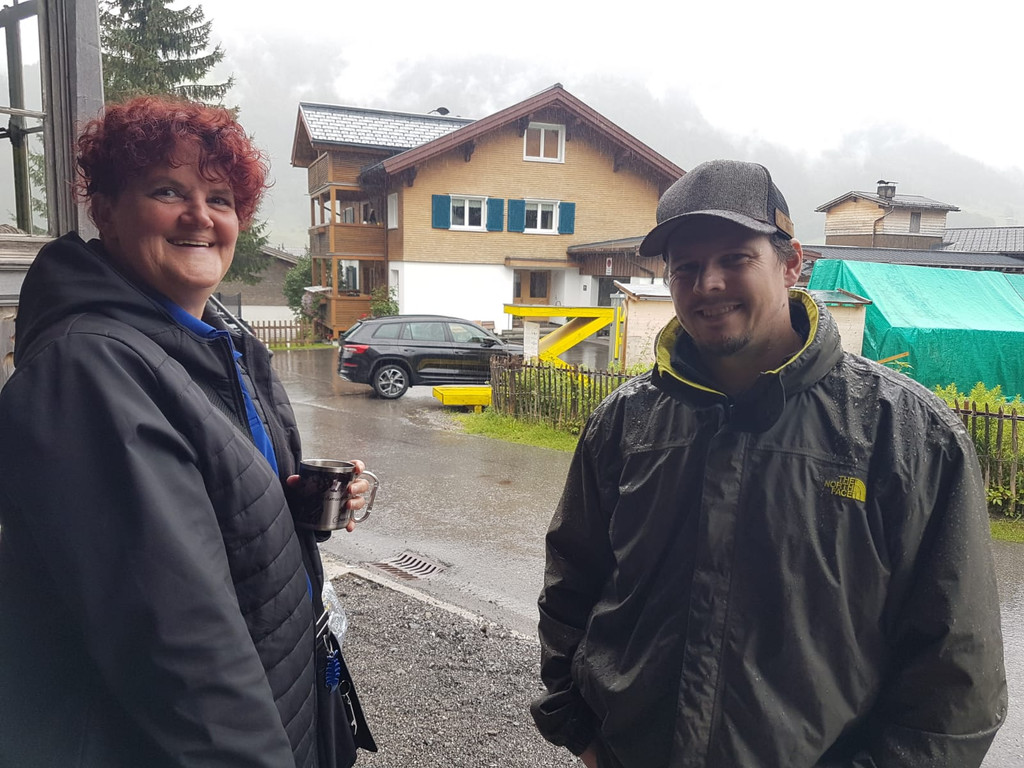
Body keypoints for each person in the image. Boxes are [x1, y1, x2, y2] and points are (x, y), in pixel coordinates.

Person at [531, 160, 1007, 767]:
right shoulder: (624, 423)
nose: (707, 284)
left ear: (791, 264)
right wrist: (581, 729)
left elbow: (956, 673)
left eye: (735, 258)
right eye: (686, 267)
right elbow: (571, 585)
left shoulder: (905, 434)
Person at [0, 96, 375, 767]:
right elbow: (179, 648)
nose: (201, 216)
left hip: (285, 699)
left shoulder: (218, 342)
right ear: (106, 210)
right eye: (168, 191)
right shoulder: (88, 372)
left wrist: (300, 502)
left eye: (220, 198)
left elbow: (212, 518)